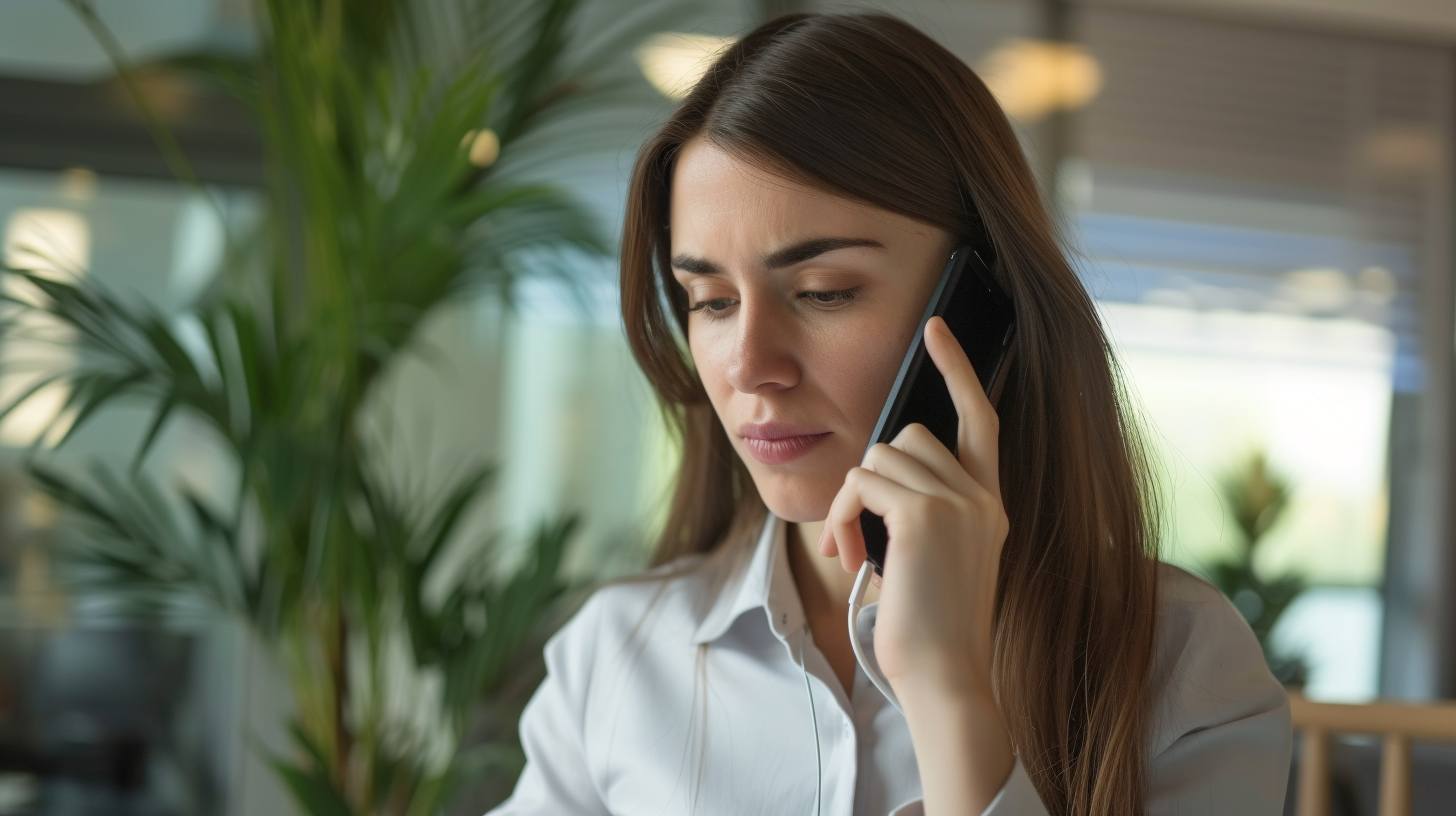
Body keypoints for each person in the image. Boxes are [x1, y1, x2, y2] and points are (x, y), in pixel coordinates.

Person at [488, 11, 1291, 816]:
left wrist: (947, 689)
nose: (747, 366)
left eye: (823, 292)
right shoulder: (613, 658)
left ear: (982, 303)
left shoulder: (1180, 666)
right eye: (710, 300)